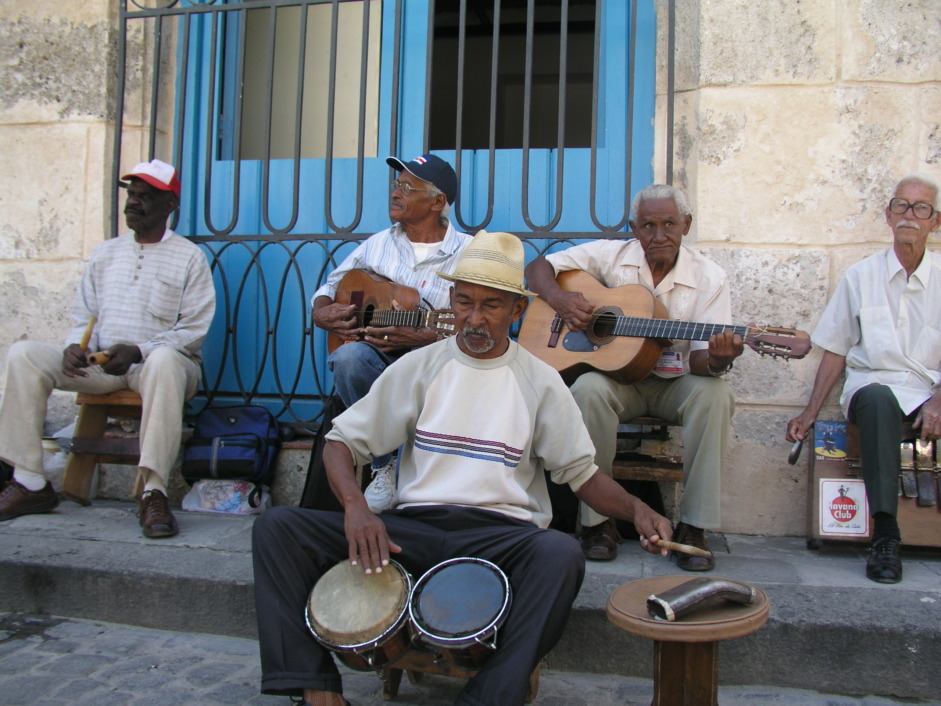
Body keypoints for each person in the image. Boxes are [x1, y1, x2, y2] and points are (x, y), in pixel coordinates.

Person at [253, 231, 673, 706]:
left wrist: (635, 509)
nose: (474, 319)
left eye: (491, 306)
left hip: (501, 538)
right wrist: (355, 506)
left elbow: (583, 476)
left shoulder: (541, 381)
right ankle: (318, 692)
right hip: (413, 532)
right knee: (277, 529)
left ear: (517, 310)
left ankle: (487, 697)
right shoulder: (420, 366)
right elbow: (340, 444)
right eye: (464, 302)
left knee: (560, 555)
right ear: (450, 299)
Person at [524, 184, 744, 568]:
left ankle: (694, 526)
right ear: (634, 227)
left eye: (669, 224)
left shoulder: (710, 277)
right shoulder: (611, 256)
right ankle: (598, 522)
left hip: (675, 383)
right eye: (648, 225)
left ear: (686, 225)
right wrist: (559, 300)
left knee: (716, 395)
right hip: (619, 382)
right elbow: (538, 269)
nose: (659, 235)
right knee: (588, 389)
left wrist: (719, 360)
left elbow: (698, 362)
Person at [0, 159, 216, 538]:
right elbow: (83, 315)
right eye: (131, 194)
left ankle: (154, 492)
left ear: (170, 206)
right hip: (101, 365)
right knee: (23, 355)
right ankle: (30, 481)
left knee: (164, 360)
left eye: (145, 196)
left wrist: (140, 349)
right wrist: (73, 346)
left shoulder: (189, 256)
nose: (134, 202)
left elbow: (194, 329)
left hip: (158, 366)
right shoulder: (106, 253)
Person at [787, 173, 941, 584]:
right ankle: (886, 536)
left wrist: (939, 398)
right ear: (888, 216)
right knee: (877, 397)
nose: (910, 215)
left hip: (928, 391)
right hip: (871, 390)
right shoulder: (861, 276)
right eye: (901, 206)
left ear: (935, 221)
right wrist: (810, 412)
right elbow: (835, 349)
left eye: (921, 208)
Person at [311, 154, 473, 512]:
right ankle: (385, 464)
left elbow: (481, 326)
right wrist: (322, 313)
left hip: (438, 363)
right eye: (395, 184)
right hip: (377, 359)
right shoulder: (377, 244)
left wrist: (429, 338)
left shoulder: (470, 253)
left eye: (406, 187)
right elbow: (331, 285)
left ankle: (415, 466)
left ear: (437, 201)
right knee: (349, 357)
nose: (395, 193)